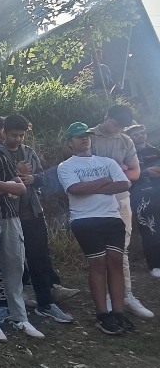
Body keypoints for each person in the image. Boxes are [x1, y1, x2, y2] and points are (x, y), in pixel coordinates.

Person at [0, 113, 75, 323]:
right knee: (5, 261)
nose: (18, 139)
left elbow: (42, 177)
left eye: (21, 135)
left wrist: (33, 178)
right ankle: (5, 305)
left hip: (32, 212)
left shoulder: (29, 152)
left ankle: (45, 303)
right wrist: (15, 173)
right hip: (6, 214)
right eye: (14, 135)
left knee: (39, 258)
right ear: (4, 132)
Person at [0, 117, 45, 341]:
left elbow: (21, 188)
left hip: (11, 216)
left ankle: (19, 317)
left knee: (15, 267)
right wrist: (6, 187)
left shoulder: (1, 156)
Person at [57, 122, 132, 334]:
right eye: (79, 136)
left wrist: (91, 186)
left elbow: (124, 184)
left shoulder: (107, 161)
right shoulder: (66, 166)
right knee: (97, 264)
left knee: (115, 262)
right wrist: (105, 181)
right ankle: (102, 314)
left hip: (112, 217)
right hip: (85, 219)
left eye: (87, 135)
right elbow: (75, 189)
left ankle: (118, 312)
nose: (84, 138)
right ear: (69, 142)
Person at [89, 105, 153, 319]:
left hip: (121, 200)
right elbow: (82, 171)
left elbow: (135, 172)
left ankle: (126, 295)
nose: (118, 130)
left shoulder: (125, 140)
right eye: (116, 124)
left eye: (122, 127)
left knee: (121, 249)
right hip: (95, 202)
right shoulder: (88, 137)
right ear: (106, 116)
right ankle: (107, 296)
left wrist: (115, 176)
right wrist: (117, 172)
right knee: (100, 252)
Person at [125, 124, 160, 278]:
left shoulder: (155, 151)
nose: (140, 136)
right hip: (140, 197)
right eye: (136, 134)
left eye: (142, 133)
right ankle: (155, 265)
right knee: (149, 229)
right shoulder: (126, 154)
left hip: (158, 192)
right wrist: (145, 172)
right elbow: (126, 176)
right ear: (130, 138)